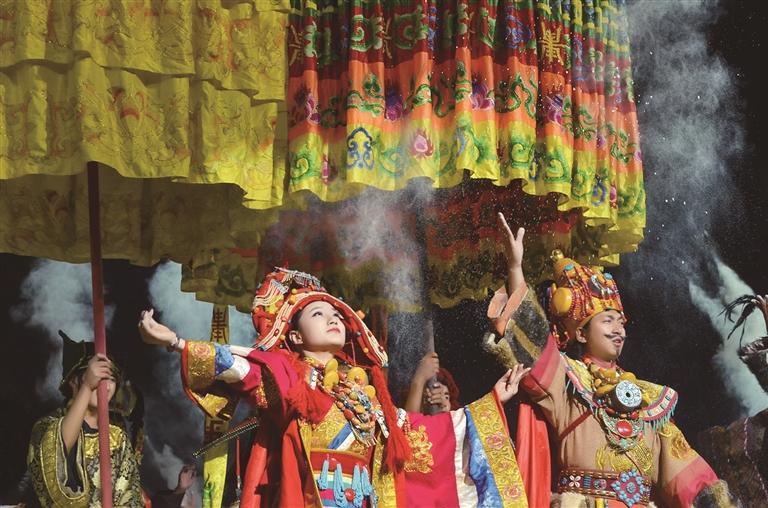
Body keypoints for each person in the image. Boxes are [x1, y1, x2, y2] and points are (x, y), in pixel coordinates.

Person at [139, 267, 529, 507]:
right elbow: (244, 368)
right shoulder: (289, 379)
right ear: (294, 337)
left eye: (337, 314)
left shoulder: (362, 394)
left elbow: (418, 432)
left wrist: (490, 402)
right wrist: (177, 343)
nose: (333, 319)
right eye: (318, 313)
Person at [482, 213, 737, 507]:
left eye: (621, 322)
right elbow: (533, 340)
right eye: (607, 321)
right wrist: (515, 268)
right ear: (580, 333)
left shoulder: (650, 401)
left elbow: (686, 474)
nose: (618, 330)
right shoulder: (568, 381)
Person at [26, 335, 144, 507]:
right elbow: (53, 464)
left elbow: (130, 494)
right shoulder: (47, 426)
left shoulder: (117, 437)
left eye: (111, 379)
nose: (106, 386)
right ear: (74, 381)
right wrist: (88, 386)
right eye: (99, 378)